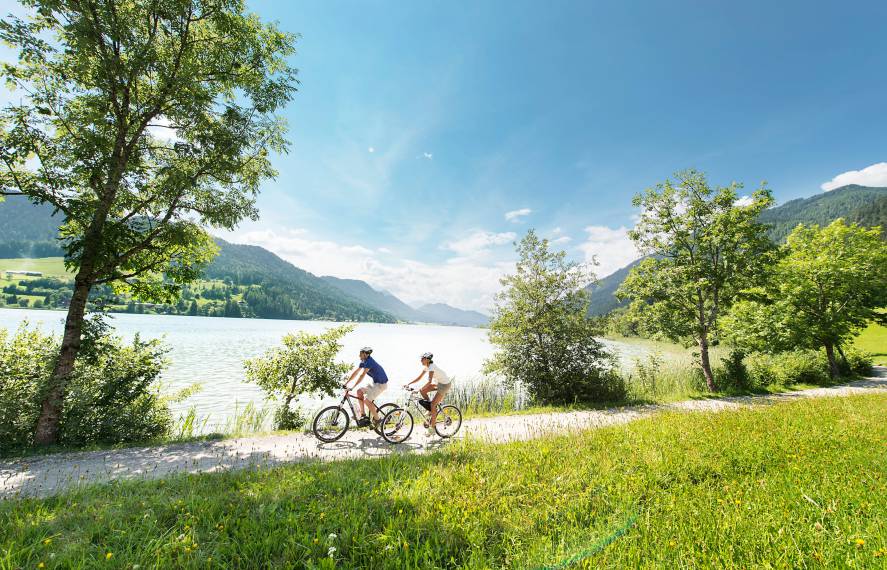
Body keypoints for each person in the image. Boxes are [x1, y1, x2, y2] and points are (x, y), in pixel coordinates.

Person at [405, 352, 452, 436]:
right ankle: (430, 410)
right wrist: (409, 384)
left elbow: (429, 381)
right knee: (423, 391)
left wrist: (418, 390)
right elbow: (419, 377)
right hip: (439, 383)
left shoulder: (431, 367)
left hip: (445, 385)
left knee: (433, 404)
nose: (420, 360)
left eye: (422, 358)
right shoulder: (427, 367)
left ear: (427, 359)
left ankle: (432, 428)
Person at [344, 347, 388, 427]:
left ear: (365, 354)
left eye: (360, 354)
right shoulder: (364, 361)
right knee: (359, 392)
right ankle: (363, 415)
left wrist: (352, 387)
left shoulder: (369, 362)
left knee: (367, 401)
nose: (359, 355)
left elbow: (362, 375)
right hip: (375, 384)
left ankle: (378, 420)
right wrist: (346, 383)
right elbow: (356, 373)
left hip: (381, 385)